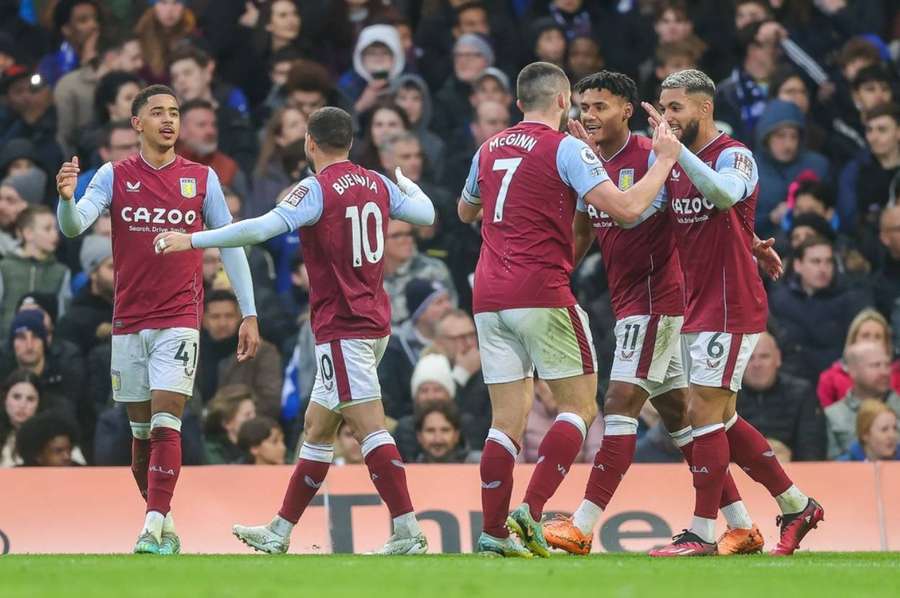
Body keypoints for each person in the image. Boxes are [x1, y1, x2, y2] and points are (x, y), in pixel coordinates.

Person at [154, 106, 436, 555]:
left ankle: (407, 529)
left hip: (344, 326)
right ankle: (281, 530)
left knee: (369, 428)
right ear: (350, 142)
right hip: (373, 321)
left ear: (310, 142)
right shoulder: (376, 182)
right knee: (318, 428)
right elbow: (425, 213)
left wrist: (195, 238)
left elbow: (261, 228)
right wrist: (405, 181)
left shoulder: (315, 188)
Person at [457, 61, 681, 558]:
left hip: (488, 297)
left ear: (519, 104)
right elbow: (624, 211)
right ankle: (531, 511)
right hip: (540, 290)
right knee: (580, 407)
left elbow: (464, 211)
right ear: (562, 101)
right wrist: (664, 161)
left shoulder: (488, 147)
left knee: (504, 424)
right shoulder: (568, 148)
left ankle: (493, 533)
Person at [541, 71, 760, 557]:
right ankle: (741, 524)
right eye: (583, 106)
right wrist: (555, 275)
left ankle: (581, 526)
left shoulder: (655, 155)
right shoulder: (589, 160)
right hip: (629, 303)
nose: (589, 115)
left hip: (658, 301)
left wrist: (749, 246)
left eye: (600, 106)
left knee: (619, 403)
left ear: (627, 109)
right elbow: (582, 231)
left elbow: (705, 213)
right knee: (682, 419)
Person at [55, 84, 260, 555]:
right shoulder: (113, 175)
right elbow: (73, 225)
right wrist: (67, 198)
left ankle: (149, 529)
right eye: (157, 113)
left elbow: (230, 244)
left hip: (180, 316)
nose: (169, 120)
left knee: (169, 420)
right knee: (142, 439)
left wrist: (249, 312)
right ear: (137, 124)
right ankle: (164, 523)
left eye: (174, 112)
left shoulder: (202, 179)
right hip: (128, 320)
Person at [643, 69, 822, 557]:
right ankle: (797, 504)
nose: (668, 117)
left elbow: (725, 194)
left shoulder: (734, 154)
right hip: (697, 301)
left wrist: (675, 155)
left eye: (675, 107)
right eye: (663, 107)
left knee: (703, 412)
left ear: (704, 107)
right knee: (722, 422)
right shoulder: (674, 160)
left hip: (730, 303)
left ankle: (702, 533)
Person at [769, 235, 872, 385]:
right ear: (798, 265)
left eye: (828, 262)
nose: (823, 269)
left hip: (840, 380)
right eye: (816, 262)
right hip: (792, 382)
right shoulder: (780, 301)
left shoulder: (851, 299)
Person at [737, 332, 826, 460]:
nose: (757, 364)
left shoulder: (801, 394)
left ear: (778, 358)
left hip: (795, 472)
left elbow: (813, 450)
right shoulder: (725, 397)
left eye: (764, 356)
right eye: (749, 358)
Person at [198, 290, 282, 417]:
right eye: (215, 316)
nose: (222, 323)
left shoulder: (262, 351)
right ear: (204, 320)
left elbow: (271, 402)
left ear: (240, 318)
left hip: (247, 430)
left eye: (229, 316)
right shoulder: (193, 351)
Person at [753, 100, 830, 239]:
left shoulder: (818, 165)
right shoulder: (749, 168)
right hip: (764, 247)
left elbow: (835, 215)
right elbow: (736, 223)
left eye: (793, 137)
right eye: (780, 136)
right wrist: (769, 218)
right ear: (766, 137)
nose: (788, 144)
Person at [379, 279, 453, 419]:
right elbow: (392, 399)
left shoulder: (456, 337)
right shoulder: (394, 347)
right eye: (439, 303)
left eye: (447, 300)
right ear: (420, 311)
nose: (448, 306)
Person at [0, 206, 71, 342]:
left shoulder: (61, 272)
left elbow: (62, 315)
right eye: (47, 229)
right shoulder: (4, 267)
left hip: (44, 348)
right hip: (6, 345)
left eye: (55, 228)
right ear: (28, 233)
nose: (55, 234)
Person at [825, 342, 900, 459]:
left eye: (887, 365)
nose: (885, 372)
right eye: (876, 365)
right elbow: (830, 467)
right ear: (853, 370)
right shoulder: (833, 415)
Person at [817, 309, 900, 409]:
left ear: (886, 344)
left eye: (878, 337)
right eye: (865, 336)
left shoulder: (897, 376)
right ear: (853, 340)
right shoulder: (830, 378)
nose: (871, 341)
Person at [55, 234, 113, 355]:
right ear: (92, 273)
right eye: (111, 267)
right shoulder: (72, 321)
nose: (119, 272)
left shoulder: (132, 309)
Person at [0, 369, 46, 467]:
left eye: (30, 399)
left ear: (39, 404)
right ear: (5, 399)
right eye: (16, 397)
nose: (22, 405)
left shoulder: (50, 438)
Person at [203, 384, 257, 465]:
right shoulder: (212, 452)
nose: (254, 418)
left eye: (254, 413)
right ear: (227, 423)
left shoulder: (258, 447)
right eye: (247, 415)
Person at [15, 410, 81, 467]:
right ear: (38, 456)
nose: (67, 457)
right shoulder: (15, 476)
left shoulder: (81, 473)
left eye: (69, 450)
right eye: (58, 451)